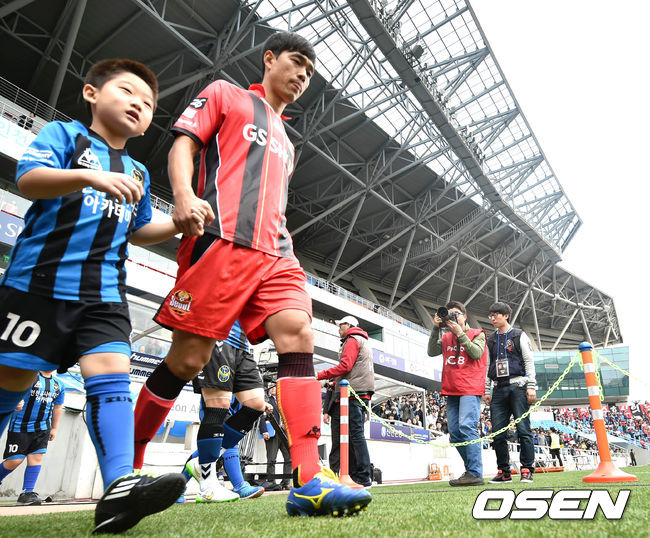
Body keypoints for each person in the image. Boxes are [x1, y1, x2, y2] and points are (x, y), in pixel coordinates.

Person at [130, 31, 371, 517]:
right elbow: (183, 145)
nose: (302, 75)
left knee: (299, 332)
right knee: (188, 360)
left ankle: (308, 480)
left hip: (276, 252)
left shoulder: (288, 142)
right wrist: (182, 195)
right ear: (269, 58)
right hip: (220, 241)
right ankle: (127, 471)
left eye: (310, 72)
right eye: (296, 62)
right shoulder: (225, 94)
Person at [0, 59, 187, 533]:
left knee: (113, 377)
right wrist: (89, 177)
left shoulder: (138, 171)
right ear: (91, 93)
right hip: (36, 285)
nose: (138, 104)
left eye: (148, 103)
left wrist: (179, 223)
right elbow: (28, 179)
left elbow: (139, 229)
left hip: (104, 293)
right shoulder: (66, 137)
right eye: (127, 91)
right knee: (9, 385)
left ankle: (119, 488)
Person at [182, 321, 266, 502]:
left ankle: (183, 481)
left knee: (256, 405)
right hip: (218, 337)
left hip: (241, 346)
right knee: (223, 438)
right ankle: (237, 485)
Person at [427, 301, 487, 486]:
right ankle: (471, 471)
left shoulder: (477, 333)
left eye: (456, 314)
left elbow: (476, 353)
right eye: (449, 315)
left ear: (465, 316)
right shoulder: (446, 337)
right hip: (451, 389)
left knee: (467, 426)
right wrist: (435, 328)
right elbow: (431, 352)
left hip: (470, 387)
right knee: (454, 433)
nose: (452, 317)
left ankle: (475, 472)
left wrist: (460, 333)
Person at [483, 302, 537, 484]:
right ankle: (504, 472)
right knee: (498, 433)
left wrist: (531, 385)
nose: (493, 318)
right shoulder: (490, 339)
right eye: (491, 315)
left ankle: (527, 470)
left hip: (518, 386)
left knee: (523, 430)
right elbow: (488, 365)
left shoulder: (519, 335)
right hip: (498, 388)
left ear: (506, 315)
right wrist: (487, 390)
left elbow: (529, 361)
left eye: (496, 315)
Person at [317, 316, 374, 488]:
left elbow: (345, 366)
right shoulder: (362, 340)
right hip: (361, 391)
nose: (338, 329)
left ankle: (363, 476)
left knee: (355, 435)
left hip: (353, 393)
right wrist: (334, 383)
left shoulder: (352, 339)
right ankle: (357, 475)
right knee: (353, 436)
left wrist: (321, 375)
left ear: (348, 325)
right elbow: (353, 369)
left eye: (340, 325)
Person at [0, 371, 64, 505]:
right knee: (15, 460)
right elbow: (13, 393)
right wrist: (15, 403)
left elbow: (58, 407)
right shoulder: (29, 377)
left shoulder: (60, 384)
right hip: (20, 426)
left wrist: (54, 428)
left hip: (42, 428)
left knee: (36, 457)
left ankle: (27, 493)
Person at [259, 382, 292, 491]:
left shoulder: (284, 401)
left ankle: (286, 482)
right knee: (271, 459)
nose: (272, 389)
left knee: (289, 458)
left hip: (284, 433)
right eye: (270, 387)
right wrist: (264, 431)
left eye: (274, 387)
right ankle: (271, 482)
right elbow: (261, 416)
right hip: (272, 433)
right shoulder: (267, 401)